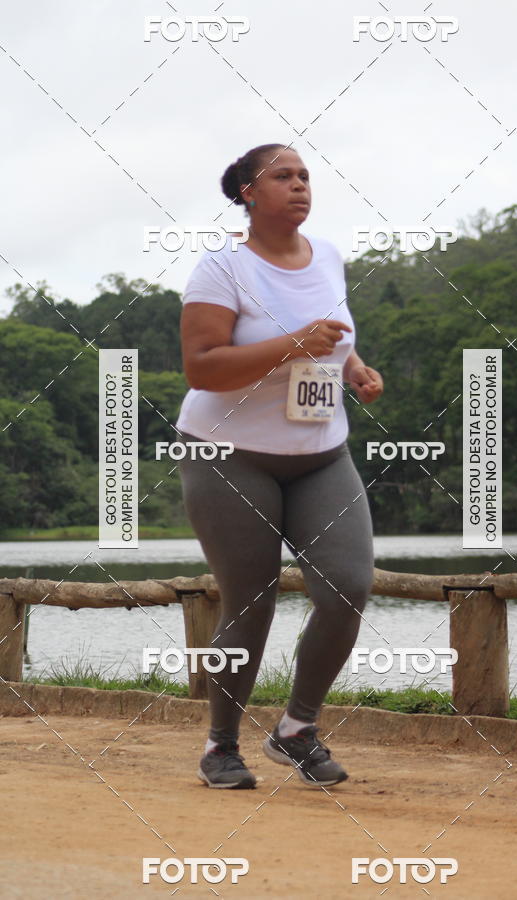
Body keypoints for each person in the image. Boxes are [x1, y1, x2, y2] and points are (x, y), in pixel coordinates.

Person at [176, 142, 384, 789]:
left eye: (304, 176)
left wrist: (352, 368)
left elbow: (334, 330)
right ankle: (220, 745)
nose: (299, 186)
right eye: (282, 176)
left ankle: (296, 728)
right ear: (247, 193)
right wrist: (293, 345)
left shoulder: (327, 256)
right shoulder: (222, 269)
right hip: (229, 455)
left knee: (348, 585)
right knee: (251, 602)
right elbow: (202, 367)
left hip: (321, 455)